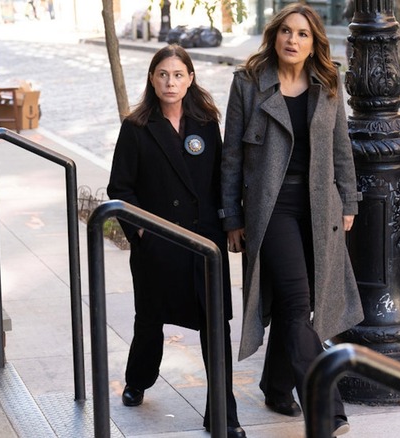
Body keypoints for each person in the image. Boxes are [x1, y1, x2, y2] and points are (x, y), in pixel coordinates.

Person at [220, 3, 364, 436]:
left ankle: (277, 384)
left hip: (320, 206)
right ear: (274, 35)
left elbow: (342, 146)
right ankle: (327, 407)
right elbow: (230, 156)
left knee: (294, 304)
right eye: (286, 31)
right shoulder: (248, 84)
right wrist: (232, 216)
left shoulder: (328, 82)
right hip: (272, 207)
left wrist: (349, 201)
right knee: (300, 302)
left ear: (313, 41)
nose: (292, 40)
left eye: (302, 34)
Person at [107, 44, 246, 438]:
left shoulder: (206, 122)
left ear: (190, 79)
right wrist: (143, 233)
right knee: (150, 323)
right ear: (152, 78)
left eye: (178, 75)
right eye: (163, 74)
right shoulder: (136, 127)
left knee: (214, 326)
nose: (171, 82)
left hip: (204, 243)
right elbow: (120, 188)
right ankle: (138, 379)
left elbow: (223, 179)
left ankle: (223, 412)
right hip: (158, 245)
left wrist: (228, 225)